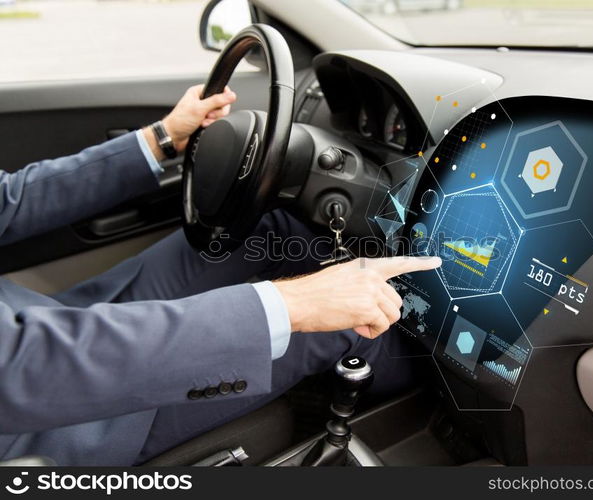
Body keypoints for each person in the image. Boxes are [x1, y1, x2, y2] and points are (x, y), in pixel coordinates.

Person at [0, 85, 441, 466]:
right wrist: (296, 304)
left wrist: (163, 137)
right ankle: (442, 412)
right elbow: (22, 366)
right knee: (350, 324)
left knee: (272, 231)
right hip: (50, 417)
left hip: (43, 321)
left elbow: (8, 200)